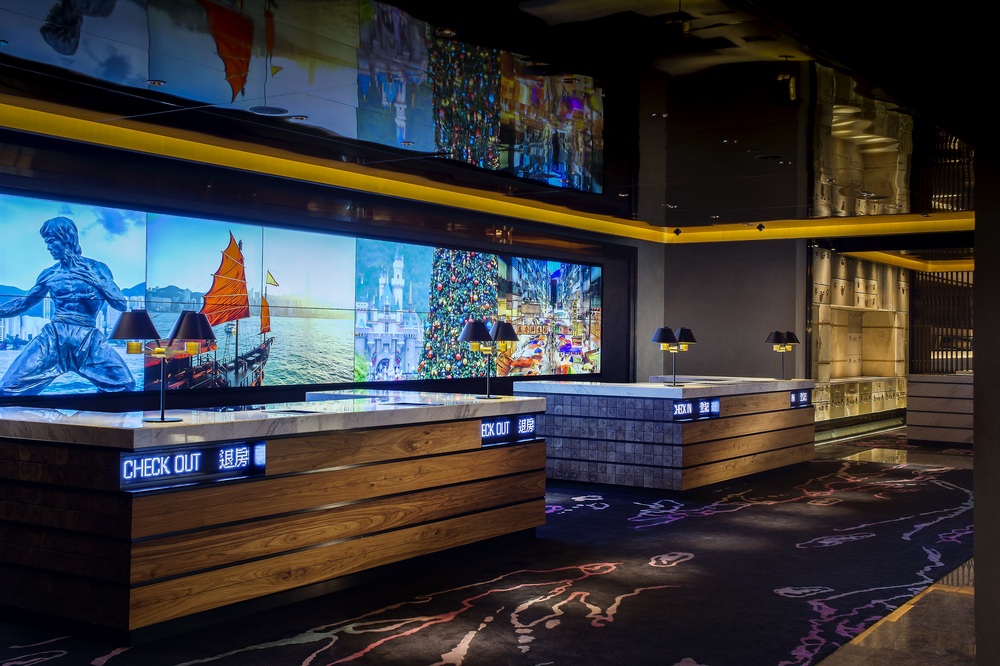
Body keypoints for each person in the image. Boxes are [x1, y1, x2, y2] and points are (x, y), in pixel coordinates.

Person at [0, 216, 135, 396]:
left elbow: (120, 304)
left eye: (51, 241)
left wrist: (98, 282)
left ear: (66, 238)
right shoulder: (49, 274)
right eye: (47, 242)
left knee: (124, 384)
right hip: (54, 337)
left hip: (87, 337)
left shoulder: (97, 269)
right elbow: (22, 304)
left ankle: (90, 413)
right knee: (8, 389)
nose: (48, 247)